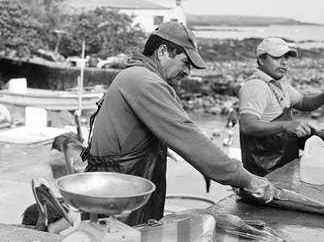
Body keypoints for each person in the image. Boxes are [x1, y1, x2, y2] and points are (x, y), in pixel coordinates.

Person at [82, 21, 273, 225]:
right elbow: (189, 138)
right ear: (162, 52)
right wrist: (245, 179)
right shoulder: (146, 83)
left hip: (115, 190)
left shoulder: (134, 74)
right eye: (185, 62)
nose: (188, 72)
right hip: (121, 198)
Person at [238, 37, 324, 176]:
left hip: (281, 168)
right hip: (263, 173)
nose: (284, 62)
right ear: (261, 59)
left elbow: (304, 102)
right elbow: (247, 126)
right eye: (277, 57)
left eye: (286, 57)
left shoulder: (278, 84)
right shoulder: (256, 87)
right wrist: (286, 125)